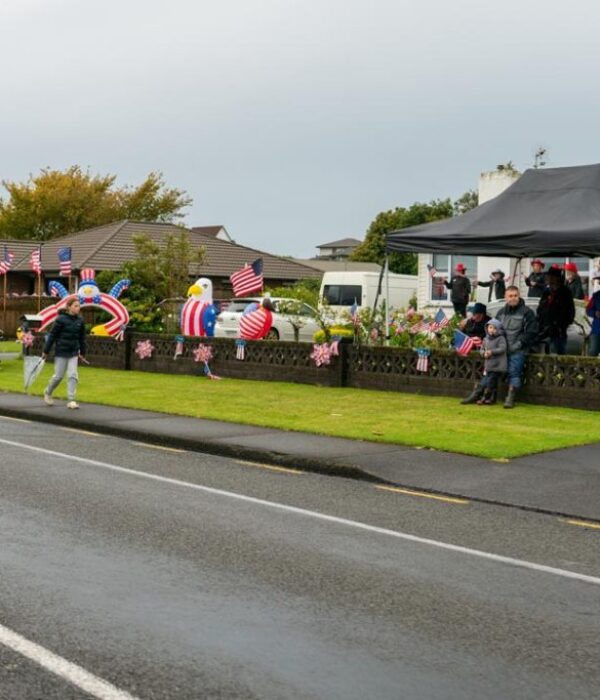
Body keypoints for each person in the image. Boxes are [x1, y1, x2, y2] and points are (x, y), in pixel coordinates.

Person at [495, 286, 538, 408]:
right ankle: (488, 395)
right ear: (505, 297)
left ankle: (510, 398)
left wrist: (518, 344)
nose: (513, 298)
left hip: (518, 349)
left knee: (514, 372)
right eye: (510, 296)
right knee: (491, 371)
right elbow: (494, 330)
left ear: (519, 296)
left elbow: (531, 332)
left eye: (515, 295)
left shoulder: (527, 312)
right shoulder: (500, 313)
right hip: (501, 349)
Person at [42, 298, 86, 409]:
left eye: (78, 306)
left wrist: (83, 352)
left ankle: (71, 400)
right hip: (61, 352)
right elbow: (52, 336)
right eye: (75, 306)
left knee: (73, 375)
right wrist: (45, 351)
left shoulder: (80, 320)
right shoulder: (60, 319)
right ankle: (48, 392)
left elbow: (82, 338)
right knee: (58, 376)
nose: (78, 308)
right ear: (69, 307)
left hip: (73, 352)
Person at [536, 267, 575, 355]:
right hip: (545, 329)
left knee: (558, 354)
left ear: (557, 278)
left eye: (551, 277)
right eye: (548, 277)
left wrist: (561, 324)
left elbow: (570, 312)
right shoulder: (547, 292)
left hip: (559, 330)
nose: (549, 279)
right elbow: (540, 308)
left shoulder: (565, 292)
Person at [586, 272, 600, 357]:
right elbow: (588, 310)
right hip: (597, 329)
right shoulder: (596, 296)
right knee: (592, 352)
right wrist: (595, 313)